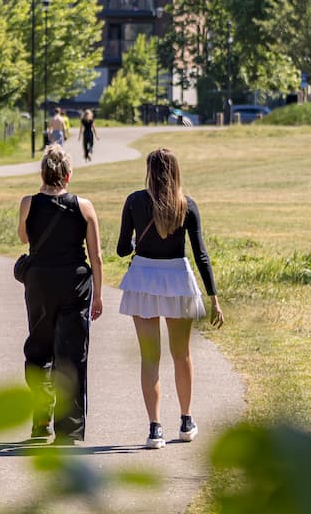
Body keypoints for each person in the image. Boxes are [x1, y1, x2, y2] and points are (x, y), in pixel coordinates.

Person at [116, 148, 222, 450]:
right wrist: (214, 296)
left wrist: (139, 240)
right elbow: (200, 254)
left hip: (144, 279)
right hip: (178, 278)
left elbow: (123, 249)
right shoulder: (186, 205)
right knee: (182, 354)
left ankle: (155, 428)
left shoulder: (135, 201)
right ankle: (186, 420)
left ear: (150, 171)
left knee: (150, 358)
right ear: (176, 171)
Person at [17, 144, 103, 446]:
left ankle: (41, 417)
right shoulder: (84, 206)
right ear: (67, 175)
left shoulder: (28, 203)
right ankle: (69, 430)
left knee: (39, 350)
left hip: (40, 281)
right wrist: (100, 296)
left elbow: (25, 237)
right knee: (72, 355)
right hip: (75, 283)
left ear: (43, 173)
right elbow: (96, 256)